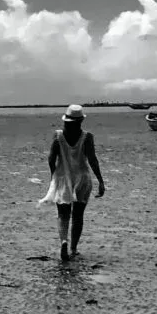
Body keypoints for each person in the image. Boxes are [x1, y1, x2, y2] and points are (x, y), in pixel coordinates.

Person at [39, 103, 105, 261]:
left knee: (63, 215)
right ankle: (74, 248)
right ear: (81, 121)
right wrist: (100, 181)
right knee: (78, 216)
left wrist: (54, 176)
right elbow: (93, 160)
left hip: (63, 178)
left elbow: (51, 158)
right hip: (82, 179)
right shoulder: (87, 137)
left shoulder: (58, 136)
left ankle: (64, 241)